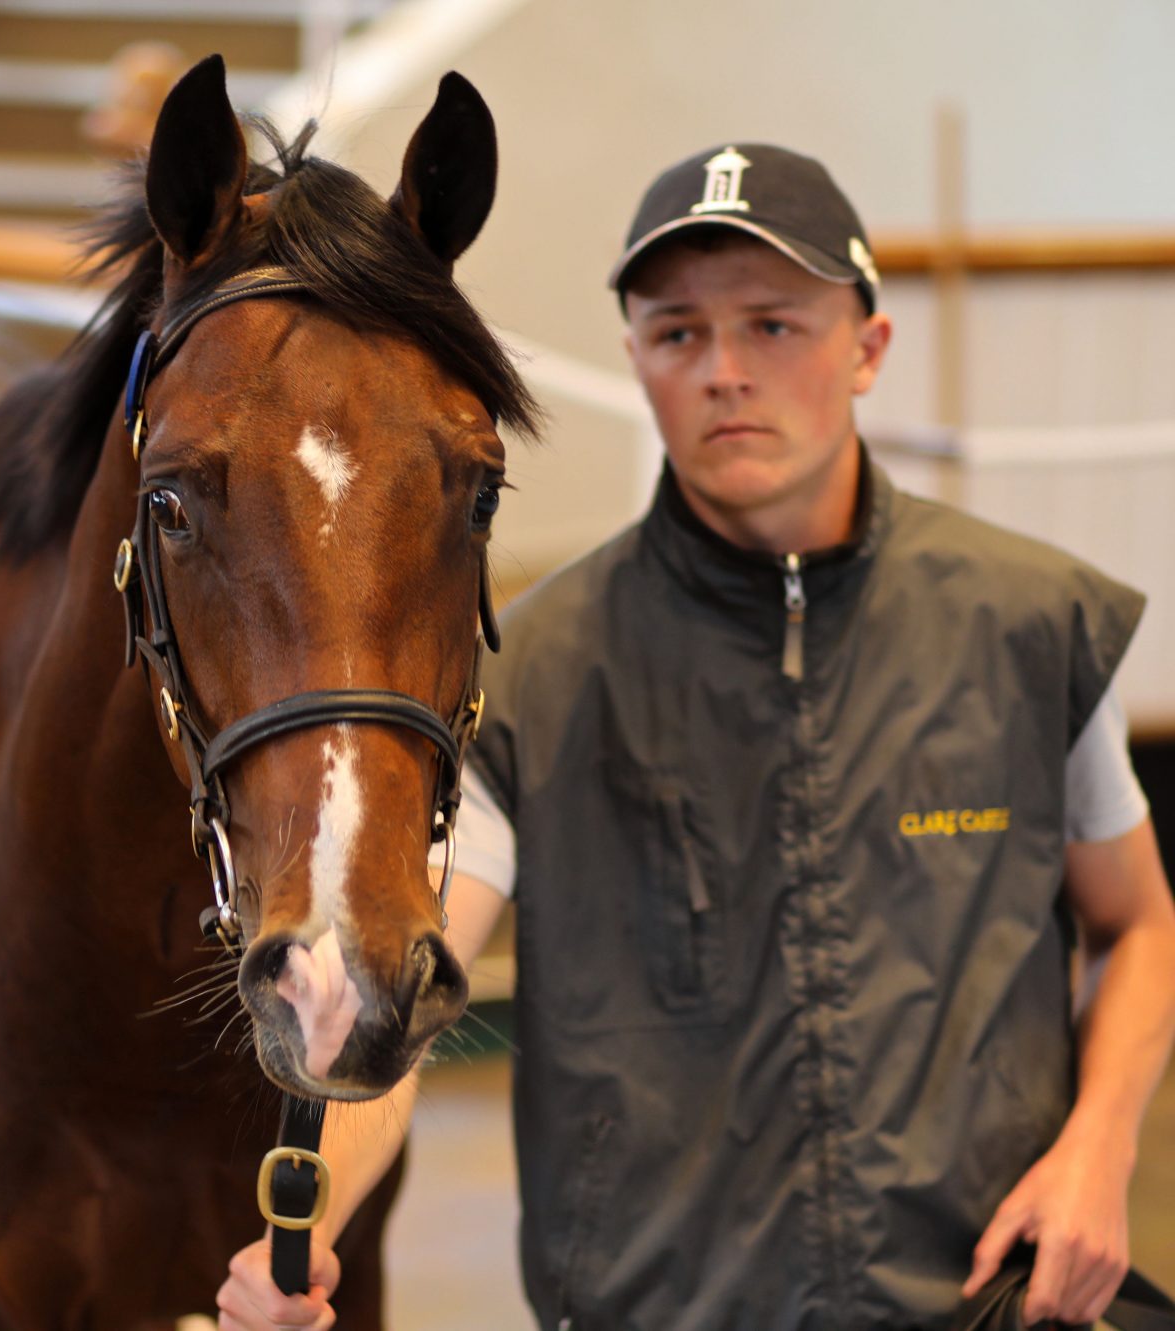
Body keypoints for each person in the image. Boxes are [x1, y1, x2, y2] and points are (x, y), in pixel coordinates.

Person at [216, 143, 1175, 1330]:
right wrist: (301, 1232)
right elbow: (400, 1011)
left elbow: (1137, 922)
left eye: (773, 326)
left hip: (991, 1298)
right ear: (637, 362)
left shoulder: (1031, 626)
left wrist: (1100, 1148)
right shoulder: (539, 670)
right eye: (677, 334)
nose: (724, 371)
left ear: (867, 349)